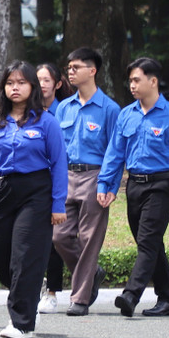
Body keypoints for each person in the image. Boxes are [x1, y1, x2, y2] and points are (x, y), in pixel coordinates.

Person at [97, 56, 169, 318]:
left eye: (136, 80)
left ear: (153, 81)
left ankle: (131, 295)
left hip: (161, 186)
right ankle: (167, 299)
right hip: (134, 186)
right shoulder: (126, 115)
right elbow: (114, 154)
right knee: (150, 243)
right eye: (130, 81)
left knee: (148, 241)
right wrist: (106, 184)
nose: (132, 85)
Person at [0, 61, 67, 338]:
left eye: (22, 83)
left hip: (36, 192)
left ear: (32, 87)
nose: (15, 88)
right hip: (3, 191)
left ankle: (22, 323)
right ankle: (30, 288)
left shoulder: (46, 121)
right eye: (10, 83)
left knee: (25, 254)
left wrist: (58, 204)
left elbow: (59, 164)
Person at [52, 46, 120, 315]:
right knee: (59, 236)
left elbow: (115, 152)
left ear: (92, 71)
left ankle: (80, 299)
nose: (70, 71)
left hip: (95, 176)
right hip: (65, 176)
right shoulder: (63, 108)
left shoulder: (109, 109)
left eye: (76, 67)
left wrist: (109, 185)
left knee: (90, 238)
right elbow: (56, 148)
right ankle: (93, 273)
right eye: (68, 67)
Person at [36, 62, 73, 311]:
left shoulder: (65, 112)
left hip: (59, 179)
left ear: (57, 84)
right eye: (37, 79)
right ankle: (89, 270)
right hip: (35, 182)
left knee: (55, 238)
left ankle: (51, 292)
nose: (41, 85)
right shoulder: (29, 112)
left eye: (46, 80)